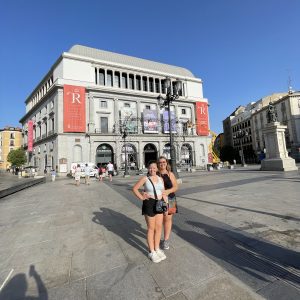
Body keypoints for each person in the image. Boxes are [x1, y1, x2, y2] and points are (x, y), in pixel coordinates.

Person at [132, 161, 167, 263]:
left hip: (160, 203)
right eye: (150, 168)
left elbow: (163, 192)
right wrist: (142, 197)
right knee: (151, 228)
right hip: (149, 204)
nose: (152, 170)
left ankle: (157, 248)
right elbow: (135, 189)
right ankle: (151, 251)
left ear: (157, 169)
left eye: (154, 168)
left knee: (159, 227)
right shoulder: (145, 179)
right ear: (148, 169)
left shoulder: (161, 179)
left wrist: (166, 206)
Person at [157, 156, 178, 250]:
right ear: (158, 164)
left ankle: (166, 240)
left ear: (166, 163)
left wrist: (168, 191)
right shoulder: (155, 174)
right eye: (160, 162)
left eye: (164, 162)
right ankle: (157, 238)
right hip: (159, 199)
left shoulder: (170, 174)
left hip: (171, 199)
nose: (162, 163)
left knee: (168, 220)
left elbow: (175, 187)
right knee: (159, 220)